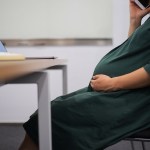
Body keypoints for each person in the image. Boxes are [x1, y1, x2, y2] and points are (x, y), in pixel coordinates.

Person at [19, 1, 150, 150]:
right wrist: (135, 20)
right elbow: (132, 52)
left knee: (53, 117)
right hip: (120, 92)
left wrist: (112, 84)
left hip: (135, 100)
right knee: (46, 115)